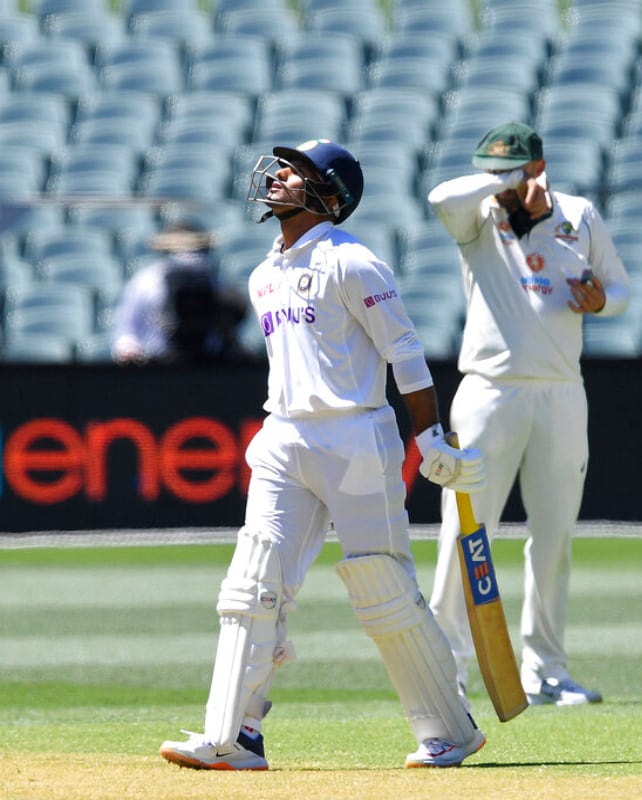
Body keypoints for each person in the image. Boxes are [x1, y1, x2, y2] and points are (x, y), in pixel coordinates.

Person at [159, 138, 489, 769]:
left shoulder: (353, 262)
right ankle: (235, 735)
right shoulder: (263, 273)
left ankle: (450, 729)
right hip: (283, 436)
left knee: (384, 585)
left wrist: (430, 441)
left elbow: (407, 359)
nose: (279, 177)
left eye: (297, 171)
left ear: (329, 195)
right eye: (282, 168)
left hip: (355, 436)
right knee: (254, 584)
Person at [426, 121, 629, 707]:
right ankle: (448, 671)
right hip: (489, 391)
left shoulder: (579, 216)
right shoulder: (478, 217)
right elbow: (441, 197)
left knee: (554, 535)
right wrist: (500, 182)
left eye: (511, 171)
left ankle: (546, 670)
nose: (498, 185)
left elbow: (620, 290)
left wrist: (602, 302)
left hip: (562, 391)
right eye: (491, 172)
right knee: (466, 535)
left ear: (539, 168)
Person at [110, 221, 247, 365]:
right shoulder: (145, 283)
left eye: (195, 249)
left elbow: (230, 324)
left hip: (206, 364)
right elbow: (125, 332)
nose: (189, 256)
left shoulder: (216, 282)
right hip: (156, 365)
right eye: (181, 249)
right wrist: (132, 354)